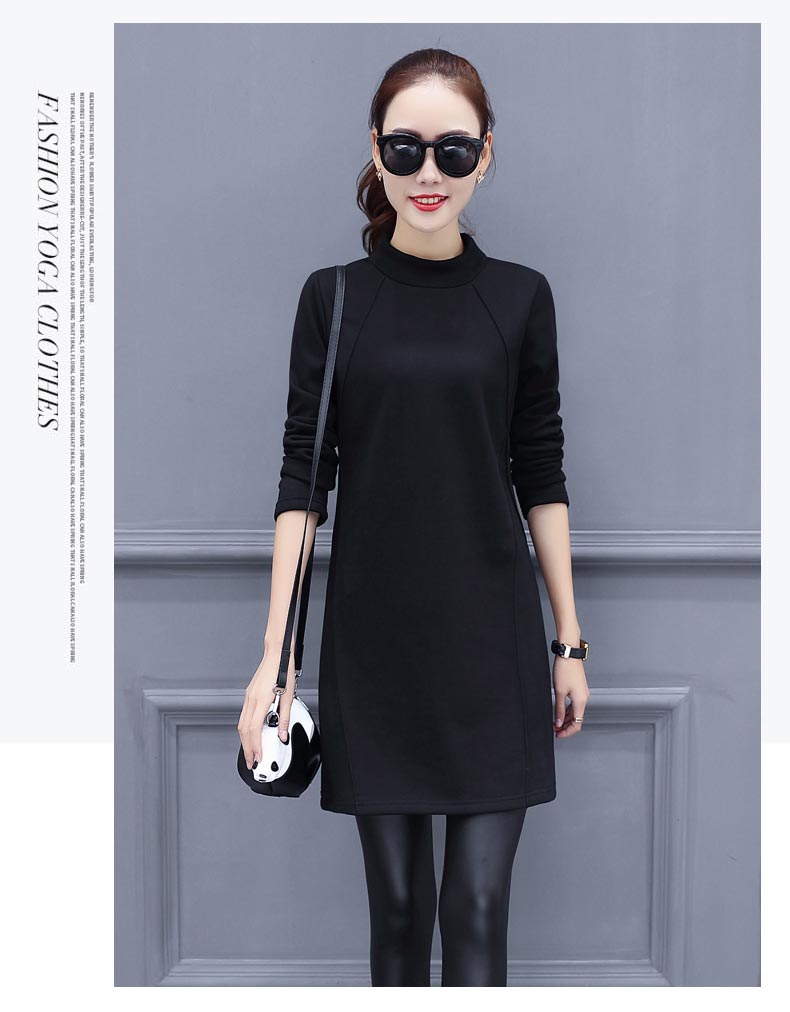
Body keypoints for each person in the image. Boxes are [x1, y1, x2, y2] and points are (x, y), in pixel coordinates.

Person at [238, 47, 590, 987]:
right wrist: (273, 660)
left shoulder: (519, 298)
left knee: (474, 911)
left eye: (452, 150)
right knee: (397, 916)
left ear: (486, 155)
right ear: (375, 150)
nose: (428, 172)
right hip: (375, 646)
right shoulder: (334, 298)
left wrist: (569, 640)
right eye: (405, 149)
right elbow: (303, 481)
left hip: (491, 646)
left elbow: (541, 470)